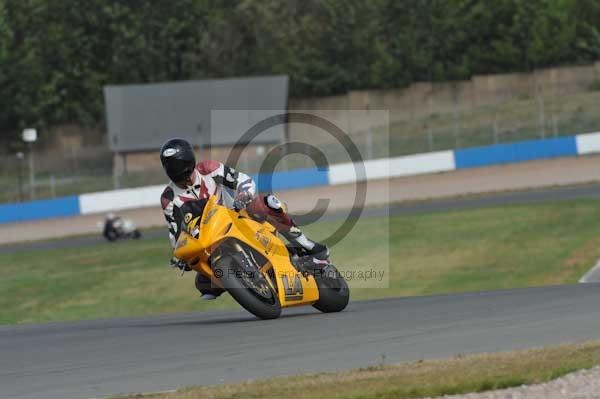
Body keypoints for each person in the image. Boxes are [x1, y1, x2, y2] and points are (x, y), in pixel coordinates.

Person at [159, 138, 329, 299]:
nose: (186, 179)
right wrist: (180, 257)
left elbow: (243, 180)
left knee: (269, 203)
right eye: (179, 177)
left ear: (192, 164)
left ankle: (307, 245)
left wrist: (243, 194)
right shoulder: (169, 198)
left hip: (237, 215)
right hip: (208, 240)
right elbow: (176, 235)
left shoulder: (209, 169)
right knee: (203, 284)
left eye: (187, 172)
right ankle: (240, 282)